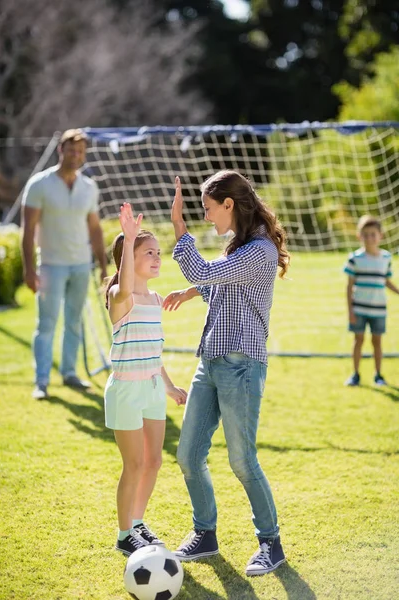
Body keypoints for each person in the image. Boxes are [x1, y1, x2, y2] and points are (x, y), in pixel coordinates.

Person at [163, 170, 290, 576]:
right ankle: (205, 533)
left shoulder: (260, 251)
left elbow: (207, 272)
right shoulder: (237, 249)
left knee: (242, 460)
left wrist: (178, 226)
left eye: (207, 209)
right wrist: (189, 292)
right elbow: (216, 280)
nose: (206, 217)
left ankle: (271, 544)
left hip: (242, 368)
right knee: (188, 455)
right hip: (210, 363)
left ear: (229, 205)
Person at [104, 202, 187, 557]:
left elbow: (153, 352)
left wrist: (168, 386)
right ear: (127, 256)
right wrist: (129, 236)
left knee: (154, 461)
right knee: (134, 464)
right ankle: (124, 534)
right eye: (147, 251)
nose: (156, 257)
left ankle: (137, 522)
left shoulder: (154, 299)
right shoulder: (119, 296)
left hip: (152, 387)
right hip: (125, 390)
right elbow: (123, 288)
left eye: (158, 252)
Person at [21, 129, 107, 400]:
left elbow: (95, 229)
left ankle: (70, 373)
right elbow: (28, 230)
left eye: (80, 151)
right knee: (46, 323)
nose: (76, 155)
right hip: (50, 265)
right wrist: (29, 269)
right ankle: (42, 381)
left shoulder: (89, 187)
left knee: (74, 322)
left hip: (81, 265)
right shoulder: (39, 184)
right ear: (61, 151)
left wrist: (103, 264)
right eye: (71, 150)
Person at [344, 215, 399, 387]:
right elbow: (349, 286)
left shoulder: (386, 258)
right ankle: (355, 374)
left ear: (380, 235)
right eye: (365, 234)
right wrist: (350, 311)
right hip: (359, 309)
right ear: (359, 236)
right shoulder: (355, 258)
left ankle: (378, 375)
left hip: (378, 310)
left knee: (377, 342)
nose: (369, 238)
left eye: (373, 234)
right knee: (358, 340)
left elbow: (386, 280)